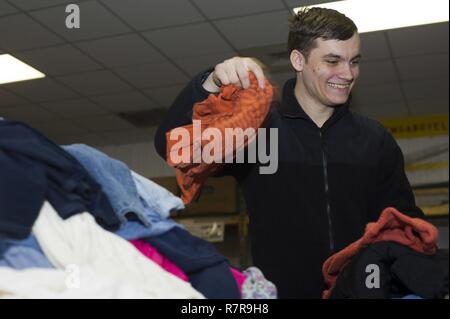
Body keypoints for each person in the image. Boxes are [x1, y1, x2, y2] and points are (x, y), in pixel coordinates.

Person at [154, 7, 424, 298]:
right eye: (333, 61)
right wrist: (211, 83)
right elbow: (173, 146)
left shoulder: (374, 139)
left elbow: (403, 224)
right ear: (299, 59)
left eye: (354, 61)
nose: (347, 74)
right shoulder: (259, 133)